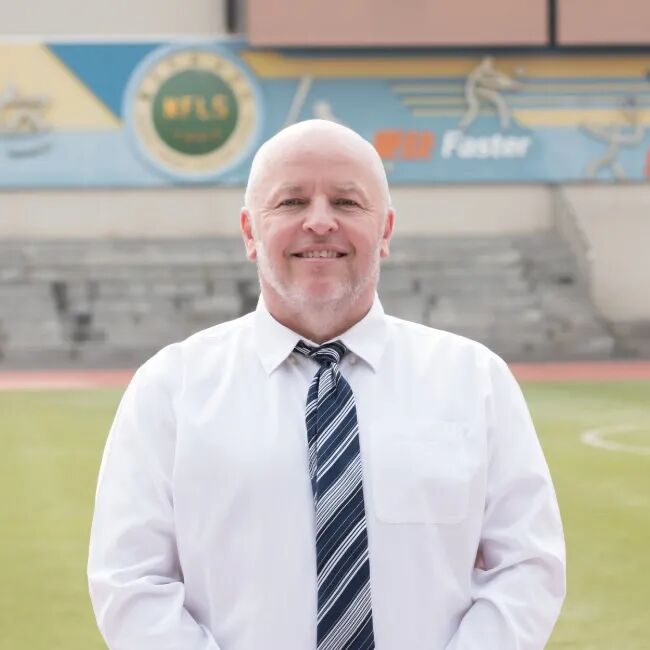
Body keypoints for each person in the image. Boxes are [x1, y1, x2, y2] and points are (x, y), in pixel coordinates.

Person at [88, 119, 566, 649]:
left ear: (385, 231)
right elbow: (131, 582)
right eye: (291, 202)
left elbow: (527, 566)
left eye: (346, 202)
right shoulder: (169, 390)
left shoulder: (476, 381)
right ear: (250, 232)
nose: (319, 222)